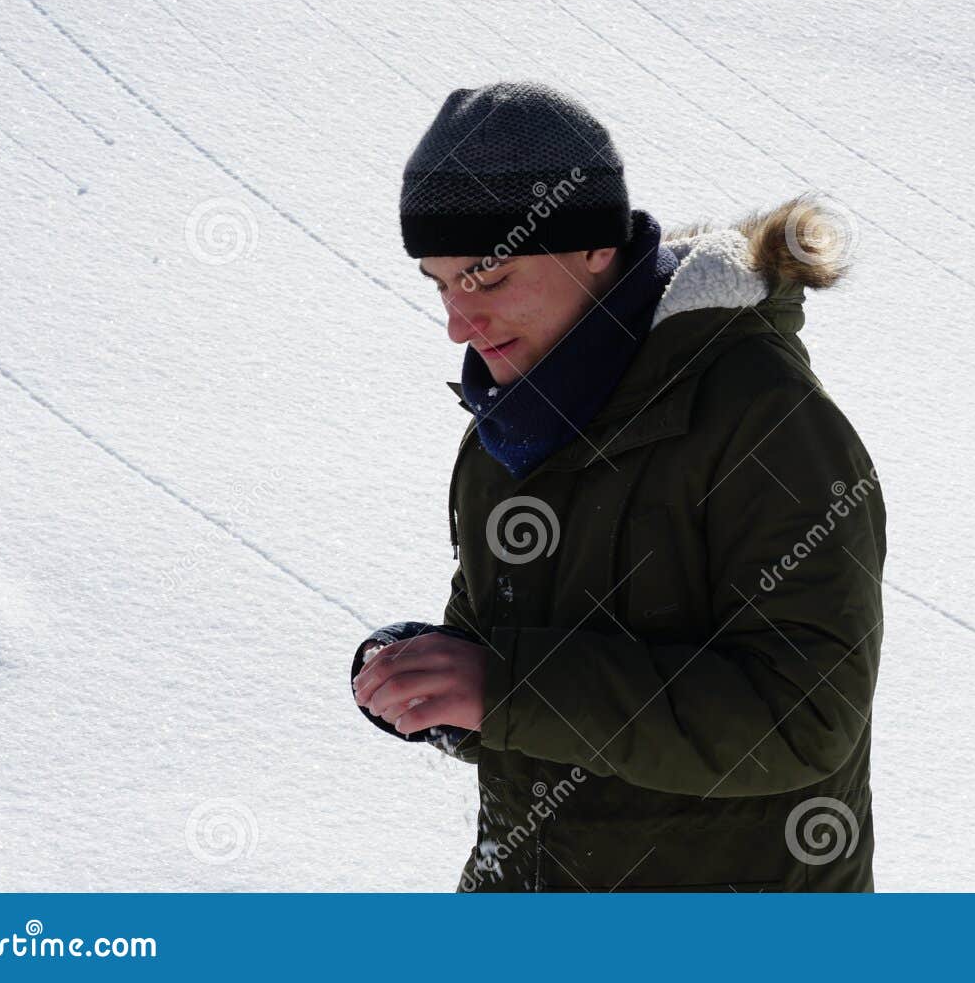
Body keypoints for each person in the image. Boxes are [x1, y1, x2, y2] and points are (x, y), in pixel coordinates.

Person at [350, 81, 886, 891]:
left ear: (596, 245)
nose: (459, 322)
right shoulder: (513, 419)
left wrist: (506, 688)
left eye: (487, 278)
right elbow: (512, 668)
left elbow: (803, 718)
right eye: (440, 282)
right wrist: (434, 683)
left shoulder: (762, 418)